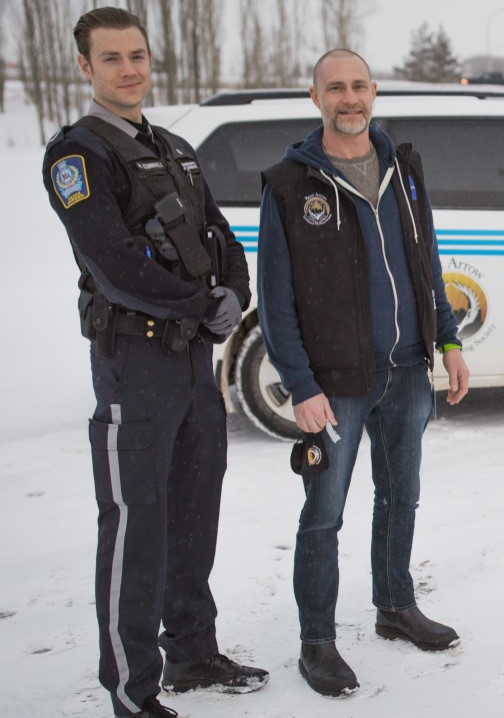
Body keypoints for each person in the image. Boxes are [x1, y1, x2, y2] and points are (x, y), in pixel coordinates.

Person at [42, 7, 268, 718]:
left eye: (137, 55)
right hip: (132, 363)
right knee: (135, 524)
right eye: (111, 58)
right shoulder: (78, 156)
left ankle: (193, 652)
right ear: (85, 66)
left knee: (194, 512)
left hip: (192, 363)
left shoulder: (174, 146)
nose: (129, 69)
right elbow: (112, 264)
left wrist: (234, 288)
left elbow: (223, 235)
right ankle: (133, 693)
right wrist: (198, 305)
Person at [256, 48, 471, 697]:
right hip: (337, 383)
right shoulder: (291, 184)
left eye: (359, 86)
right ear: (315, 96)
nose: (349, 98)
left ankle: (394, 605)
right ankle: (316, 643)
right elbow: (276, 296)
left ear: (373, 91)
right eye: (335, 88)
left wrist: (450, 339)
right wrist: (301, 384)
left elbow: (426, 259)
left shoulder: (403, 167)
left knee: (400, 494)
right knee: (323, 514)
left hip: (408, 370)